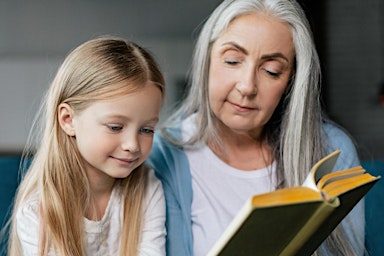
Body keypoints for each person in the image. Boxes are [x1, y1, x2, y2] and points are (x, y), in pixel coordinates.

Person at [147, 0, 365, 255]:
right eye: (232, 61)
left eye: (272, 71)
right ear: (205, 60)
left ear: (291, 82)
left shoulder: (332, 149)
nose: (247, 87)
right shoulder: (163, 156)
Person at [7, 37, 167, 255]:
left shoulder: (148, 188)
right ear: (68, 120)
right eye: (115, 127)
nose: (132, 145)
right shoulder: (37, 211)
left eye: (146, 130)